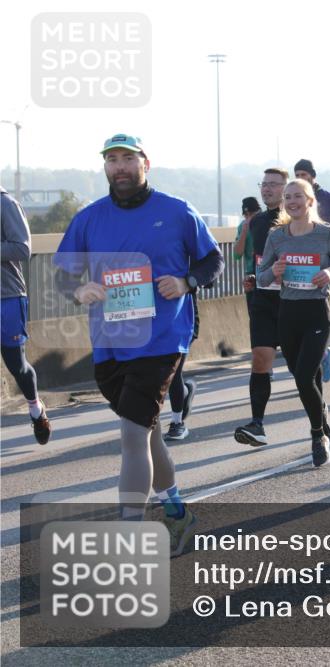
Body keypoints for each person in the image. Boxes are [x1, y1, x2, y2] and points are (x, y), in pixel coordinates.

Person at [54, 133, 223, 556]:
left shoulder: (176, 211)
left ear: (145, 163)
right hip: (110, 344)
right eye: (112, 159)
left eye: (128, 158)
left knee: (132, 434)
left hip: (163, 339)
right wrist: (79, 290)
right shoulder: (89, 218)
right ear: (105, 167)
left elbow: (213, 259)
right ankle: (178, 514)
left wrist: (187, 281)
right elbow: (63, 275)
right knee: (147, 434)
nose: (120, 167)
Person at [257, 179, 330, 467]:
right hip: (288, 314)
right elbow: (261, 277)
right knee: (306, 376)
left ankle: (318, 436)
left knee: (304, 378)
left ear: (310, 201)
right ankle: (322, 416)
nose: (292, 202)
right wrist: (274, 270)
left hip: (316, 312)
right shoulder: (277, 236)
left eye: (298, 197)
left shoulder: (326, 234)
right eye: (288, 197)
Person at [234, 168, 290, 446]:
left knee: (302, 371)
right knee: (260, 359)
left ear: (286, 188)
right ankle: (257, 424)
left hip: (294, 302)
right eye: (264, 184)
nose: (267, 189)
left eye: (273, 184)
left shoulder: (301, 220)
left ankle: (320, 425)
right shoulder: (256, 222)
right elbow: (261, 260)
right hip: (263, 300)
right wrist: (254, 279)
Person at [1, 186, 51, 444]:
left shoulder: (6, 204)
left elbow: (22, 249)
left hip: (7, 297)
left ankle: (35, 409)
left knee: (16, 365)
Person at [162, 294, 198, 441]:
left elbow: (208, 280)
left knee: (172, 370)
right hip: (152, 320)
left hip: (182, 318)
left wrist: (187, 283)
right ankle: (184, 391)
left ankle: (177, 423)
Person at [234, 196, 261, 312]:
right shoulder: (242, 226)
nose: (249, 218)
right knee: (253, 313)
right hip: (250, 276)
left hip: (266, 273)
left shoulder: (266, 223)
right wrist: (244, 232)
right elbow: (237, 255)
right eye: (246, 215)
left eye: (252, 214)